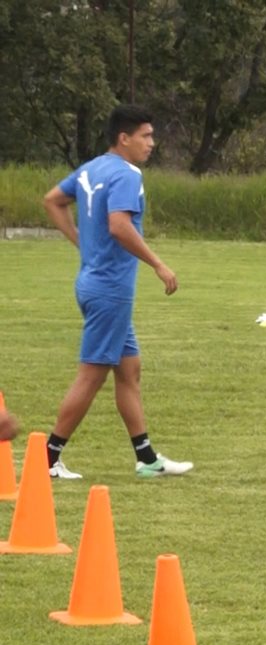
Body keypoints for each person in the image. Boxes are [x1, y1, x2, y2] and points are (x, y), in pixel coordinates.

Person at [40, 104, 193, 480]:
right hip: (110, 290)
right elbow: (119, 225)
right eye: (146, 136)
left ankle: (146, 458)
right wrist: (158, 264)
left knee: (130, 370)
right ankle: (46, 460)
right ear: (124, 139)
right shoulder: (127, 174)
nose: (151, 143)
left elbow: (52, 200)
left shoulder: (92, 168)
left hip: (93, 283)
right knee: (91, 376)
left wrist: (79, 240)